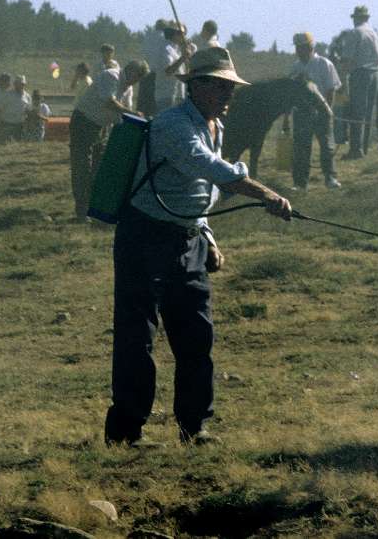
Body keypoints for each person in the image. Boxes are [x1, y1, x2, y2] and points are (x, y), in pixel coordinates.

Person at [104, 47, 293, 447]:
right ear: (197, 86)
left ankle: (195, 427)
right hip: (145, 237)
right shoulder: (173, 125)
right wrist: (265, 194)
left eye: (232, 88)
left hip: (187, 240)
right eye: (222, 87)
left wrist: (206, 236)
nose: (230, 96)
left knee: (196, 337)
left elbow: (199, 191)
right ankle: (125, 433)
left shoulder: (214, 126)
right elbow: (209, 169)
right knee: (138, 337)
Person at [69, 61, 149, 220]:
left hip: (100, 127)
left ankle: (93, 207)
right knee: (82, 167)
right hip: (83, 122)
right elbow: (110, 102)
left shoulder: (129, 89)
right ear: (131, 70)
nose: (137, 80)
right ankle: (82, 210)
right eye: (138, 76)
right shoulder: (111, 76)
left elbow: (124, 115)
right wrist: (133, 113)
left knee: (97, 169)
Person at [290, 32, 341, 190]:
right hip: (301, 114)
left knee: (326, 146)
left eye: (303, 47)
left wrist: (327, 111)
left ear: (311, 47)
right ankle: (300, 183)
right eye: (298, 48)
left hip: (321, 112)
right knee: (301, 148)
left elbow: (331, 89)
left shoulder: (324, 64)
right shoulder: (295, 67)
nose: (299, 51)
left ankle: (330, 178)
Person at [341, 5, 378, 159]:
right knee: (369, 112)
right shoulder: (375, 34)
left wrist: (343, 78)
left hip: (360, 74)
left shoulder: (355, 33)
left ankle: (355, 149)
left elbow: (347, 59)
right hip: (376, 74)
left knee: (357, 112)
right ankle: (364, 147)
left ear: (357, 18)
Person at [153, 22, 192, 113]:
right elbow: (168, 71)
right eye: (182, 34)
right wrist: (183, 58)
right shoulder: (166, 48)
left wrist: (186, 55)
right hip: (166, 95)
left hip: (178, 95)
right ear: (174, 34)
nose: (184, 37)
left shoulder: (177, 49)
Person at [0, 75, 31, 143]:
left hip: (20, 125)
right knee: (5, 144)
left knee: (18, 144)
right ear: (15, 84)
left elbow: (28, 110)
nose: (20, 86)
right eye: (18, 84)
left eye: (22, 84)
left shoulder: (27, 97)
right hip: (7, 123)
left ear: (24, 84)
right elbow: (0, 108)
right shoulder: (7, 95)